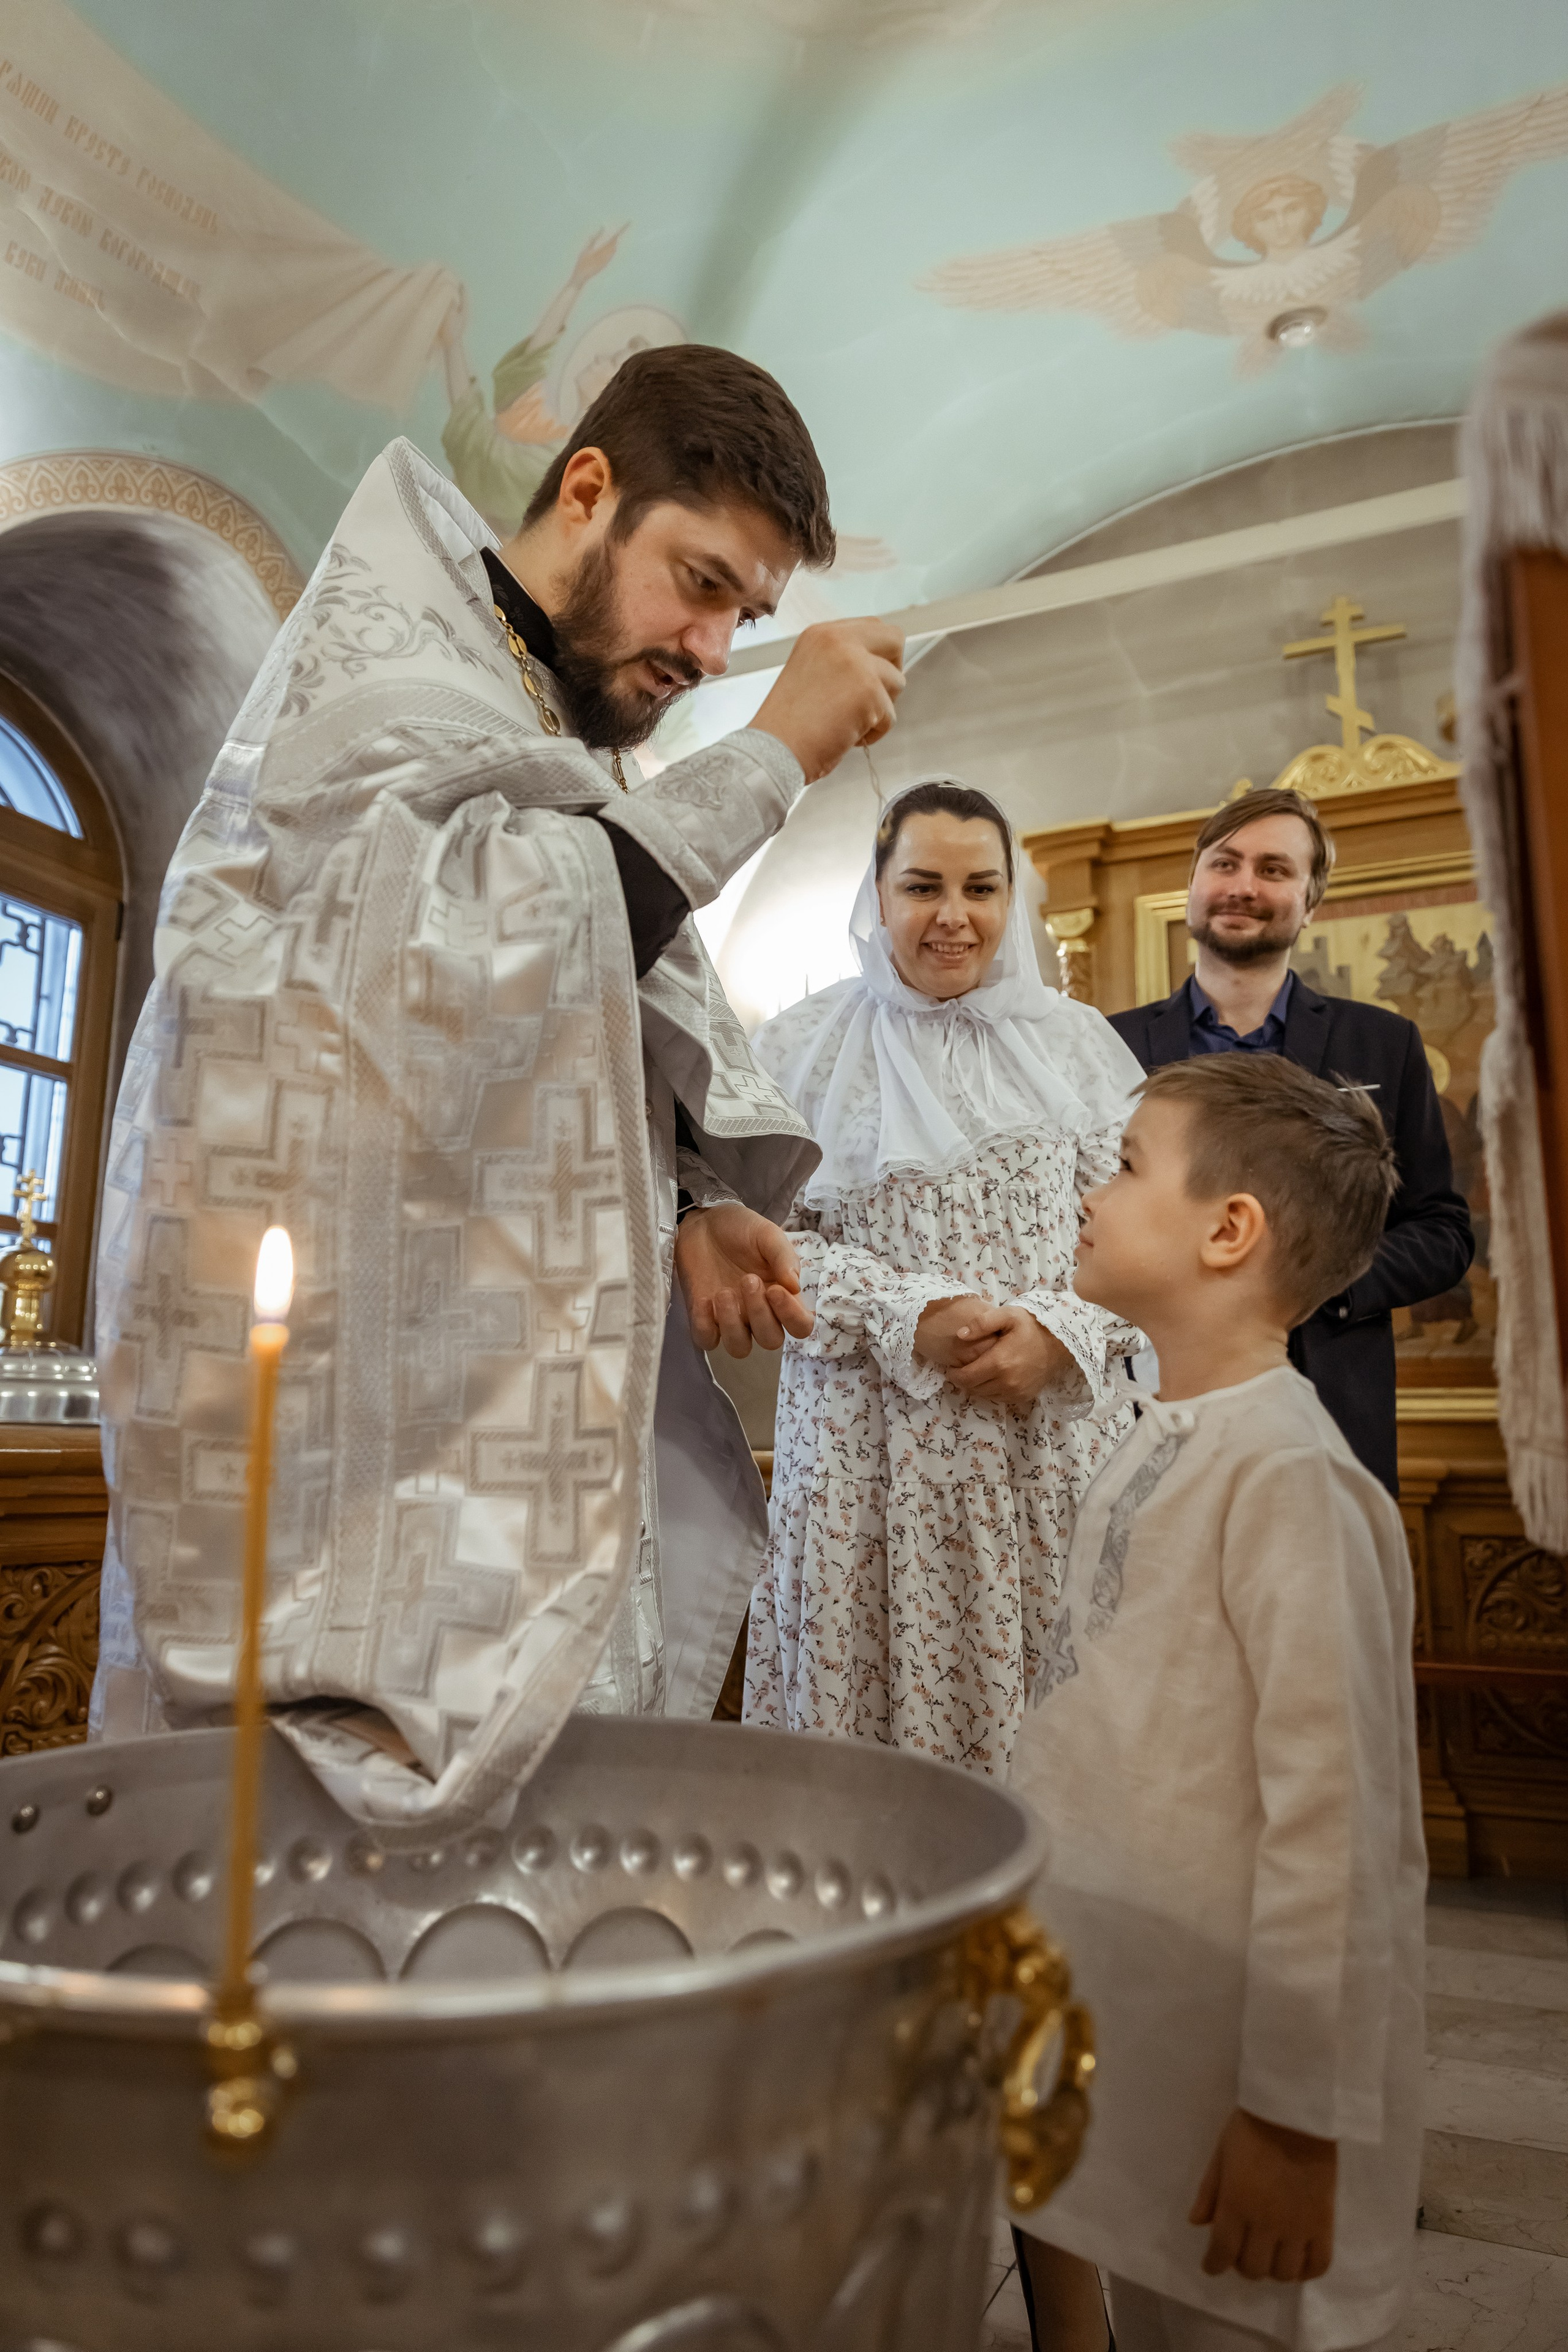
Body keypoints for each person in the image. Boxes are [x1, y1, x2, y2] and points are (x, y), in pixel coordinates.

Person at [89, 342, 905, 1841]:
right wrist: (779, 755)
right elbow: (466, 964)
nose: (715, 648)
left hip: (495, 1434)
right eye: (702, 582)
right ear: (587, 488)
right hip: (348, 1459)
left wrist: (692, 1189)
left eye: (748, 615)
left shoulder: (527, 705)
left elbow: (552, 997)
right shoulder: (391, 669)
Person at [1011, 1052, 1425, 2352]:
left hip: (1251, 2102)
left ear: (1226, 1230)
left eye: (1128, 1163)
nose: (1093, 1186)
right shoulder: (1153, 1426)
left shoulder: (1289, 1478)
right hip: (1150, 2036)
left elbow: (1336, 1835)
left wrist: (1297, 2123)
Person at [742, 780, 1145, 1777]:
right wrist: (903, 1315)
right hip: (866, 1465)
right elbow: (757, 1243)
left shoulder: (1080, 1046)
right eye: (922, 886)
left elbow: (1148, 1240)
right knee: (869, 1770)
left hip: (1044, 1455)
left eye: (981, 888)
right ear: (875, 897)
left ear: (1015, 900)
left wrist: (1057, 1333)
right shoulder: (796, 1050)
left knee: (1060, 1752)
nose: (953, 917)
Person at [1109, 785, 1473, 1495]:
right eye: (1224, 864)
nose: (1243, 886)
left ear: (1310, 901)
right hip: (1143, 1414)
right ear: (1192, 885)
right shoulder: (1106, 1046)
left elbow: (1443, 1231)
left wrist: (1312, 1282)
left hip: (1329, 1416)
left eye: (1274, 870)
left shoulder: (1383, 1042)